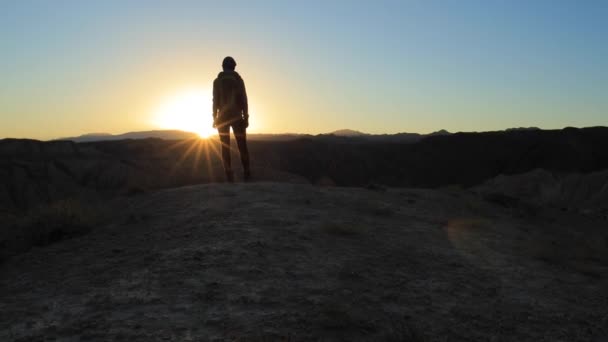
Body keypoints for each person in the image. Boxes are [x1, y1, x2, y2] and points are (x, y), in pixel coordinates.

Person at [212, 56, 251, 182]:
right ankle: (247, 173)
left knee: (225, 147)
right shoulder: (238, 80)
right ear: (234, 66)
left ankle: (229, 176)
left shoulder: (217, 81)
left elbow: (215, 100)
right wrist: (246, 116)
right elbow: (244, 98)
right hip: (237, 116)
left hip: (222, 118)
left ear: (223, 66)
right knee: (242, 146)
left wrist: (214, 117)